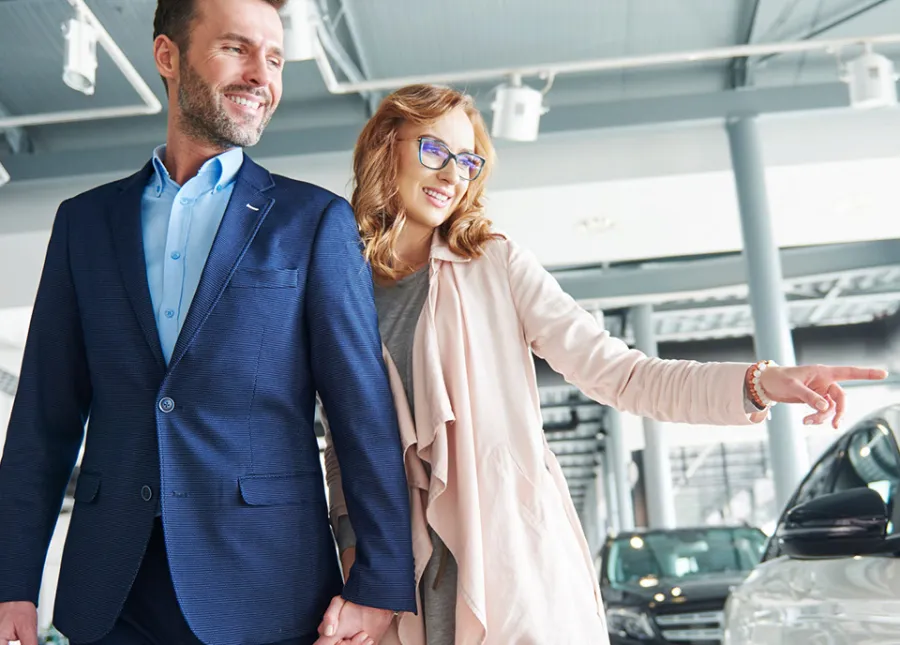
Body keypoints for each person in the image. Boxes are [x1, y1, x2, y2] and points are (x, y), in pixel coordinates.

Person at [315, 83, 888, 645]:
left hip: (508, 562)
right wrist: (357, 563)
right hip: (398, 573)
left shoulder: (495, 263)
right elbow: (343, 443)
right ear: (387, 144)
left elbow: (624, 374)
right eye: (433, 150)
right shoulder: (341, 283)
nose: (451, 175)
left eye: (466, 160)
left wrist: (758, 381)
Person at [0, 1, 416, 644]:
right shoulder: (84, 224)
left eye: (274, 58)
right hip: (110, 594)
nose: (262, 75)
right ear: (168, 57)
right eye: (236, 49)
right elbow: (42, 420)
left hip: (266, 591)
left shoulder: (312, 223)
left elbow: (360, 413)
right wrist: (11, 585)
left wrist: (381, 583)